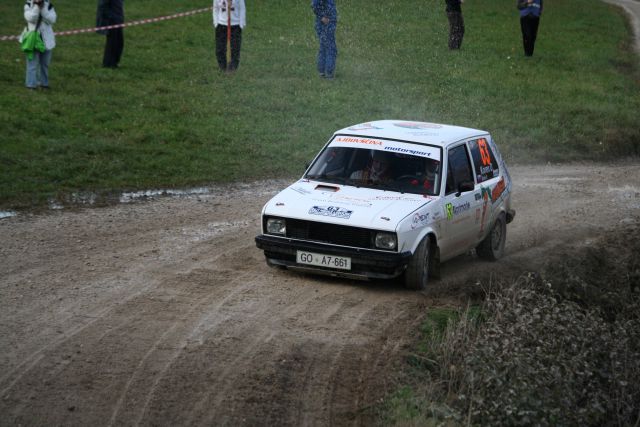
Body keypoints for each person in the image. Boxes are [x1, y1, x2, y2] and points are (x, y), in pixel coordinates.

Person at [23, 0, 56, 90]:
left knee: (45, 64)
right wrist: (37, 7)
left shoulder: (49, 5)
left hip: (47, 40)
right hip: (33, 40)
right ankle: (31, 85)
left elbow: (52, 19)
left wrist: (43, 8)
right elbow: (31, 18)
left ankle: (44, 83)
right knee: (32, 64)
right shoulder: (28, 5)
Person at [212, 0, 246, 73]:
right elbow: (215, 9)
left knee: (235, 47)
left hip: (235, 25)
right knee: (220, 48)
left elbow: (242, 8)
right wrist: (216, 23)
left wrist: (241, 23)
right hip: (221, 25)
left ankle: (233, 67)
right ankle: (222, 67)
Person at [311, 0, 337, 79]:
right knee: (331, 48)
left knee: (324, 47)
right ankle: (329, 73)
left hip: (328, 24)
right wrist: (322, 16)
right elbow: (314, 5)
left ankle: (321, 72)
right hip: (325, 25)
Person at [96, 0, 125, 68]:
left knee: (119, 42)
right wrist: (109, 17)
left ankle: (115, 62)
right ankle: (108, 64)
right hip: (111, 21)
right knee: (112, 43)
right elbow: (102, 5)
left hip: (118, 20)